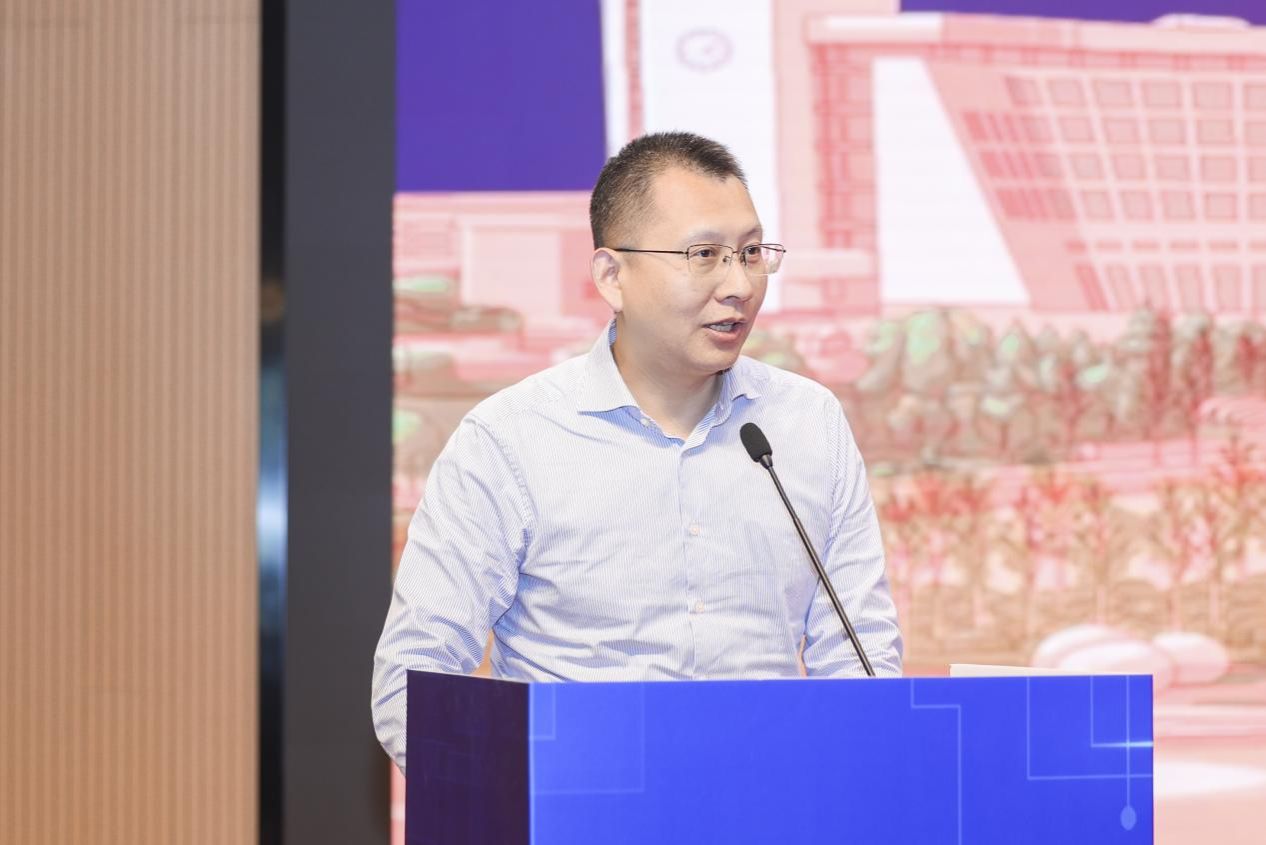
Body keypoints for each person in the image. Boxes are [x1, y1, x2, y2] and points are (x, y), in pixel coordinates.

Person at [372, 132, 902, 772]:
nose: (739, 284)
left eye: (750, 253)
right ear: (612, 275)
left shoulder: (807, 423)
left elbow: (860, 658)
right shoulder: (510, 440)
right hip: (576, 810)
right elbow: (414, 681)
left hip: (771, 803)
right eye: (704, 255)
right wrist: (516, 804)